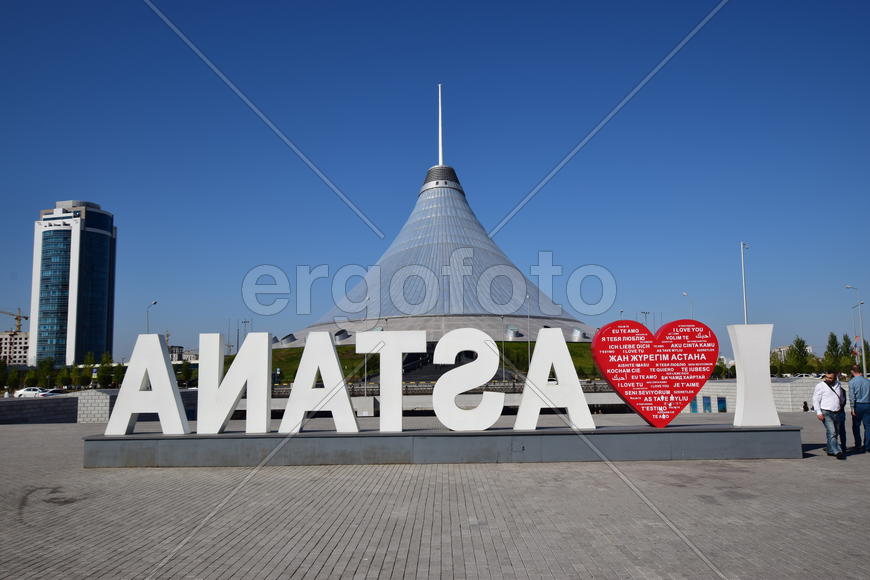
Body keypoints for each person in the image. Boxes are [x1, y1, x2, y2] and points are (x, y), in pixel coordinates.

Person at [813, 371, 847, 460]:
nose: (828, 379)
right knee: (832, 432)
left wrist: (841, 405)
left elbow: (841, 396)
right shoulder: (820, 386)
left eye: (830, 378)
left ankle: (830, 450)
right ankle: (837, 452)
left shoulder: (838, 384)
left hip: (837, 412)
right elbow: (815, 399)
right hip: (826, 412)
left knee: (835, 432)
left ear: (835, 378)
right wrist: (818, 412)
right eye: (826, 377)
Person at [848, 365, 870, 453]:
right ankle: (867, 446)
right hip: (868, 405)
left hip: (858, 405)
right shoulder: (868, 381)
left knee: (856, 426)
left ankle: (858, 445)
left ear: (852, 372)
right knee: (868, 427)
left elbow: (852, 396)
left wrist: (852, 408)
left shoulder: (852, 382)